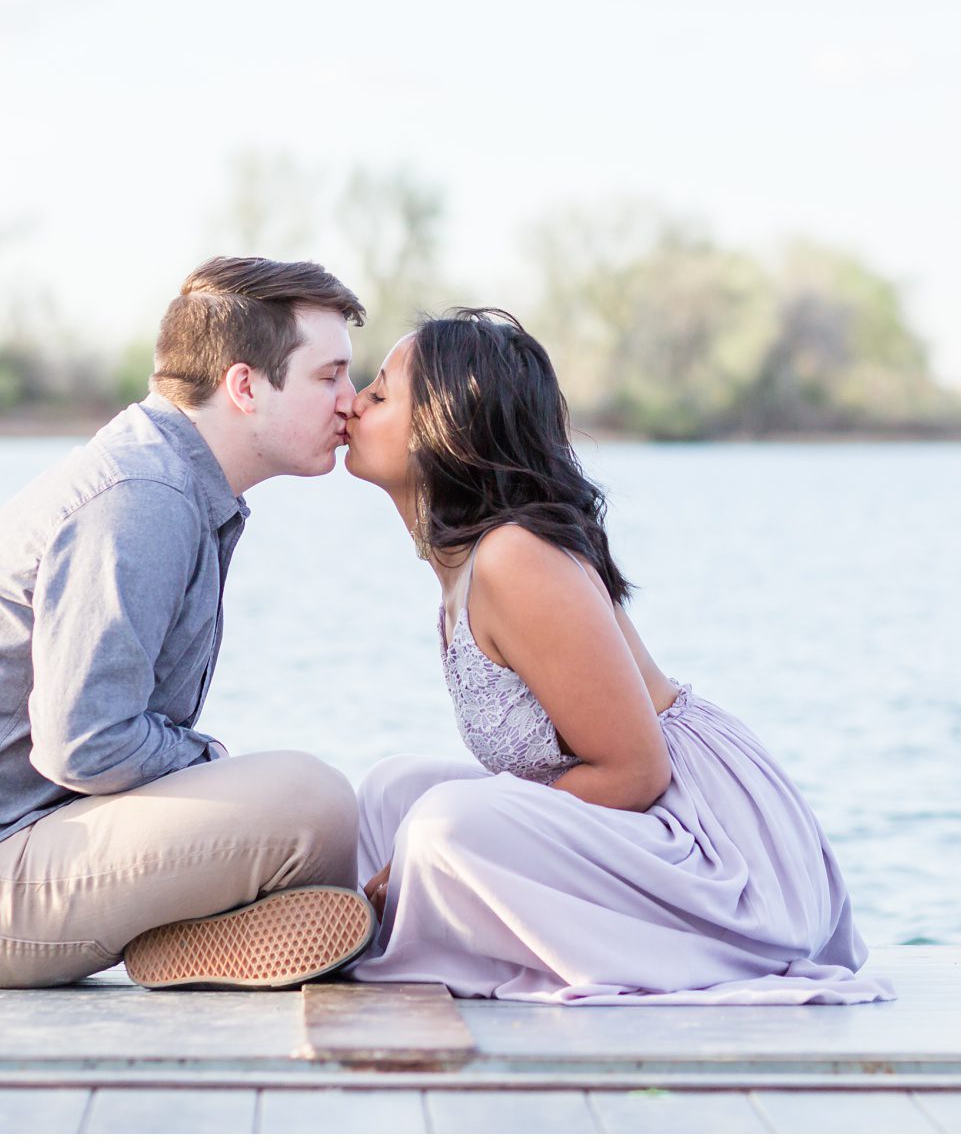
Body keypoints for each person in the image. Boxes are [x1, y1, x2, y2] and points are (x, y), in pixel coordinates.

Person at [0, 257, 377, 991]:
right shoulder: (141, 496)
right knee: (313, 802)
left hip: (5, 861)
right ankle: (198, 938)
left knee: (354, 816)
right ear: (245, 386)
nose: (351, 401)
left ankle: (199, 944)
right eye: (329, 376)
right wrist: (215, 762)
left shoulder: (167, 478)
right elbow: (84, 744)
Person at [341, 308, 895, 1004]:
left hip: (712, 846)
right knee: (395, 793)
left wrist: (438, 841)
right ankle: (349, 925)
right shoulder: (461, 565)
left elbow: (636, 771)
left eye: (381, 393)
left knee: (442, 822)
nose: (354, 399)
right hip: (641, 811)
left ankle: (390, 930)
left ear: (444, 429)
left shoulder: (516, 557)